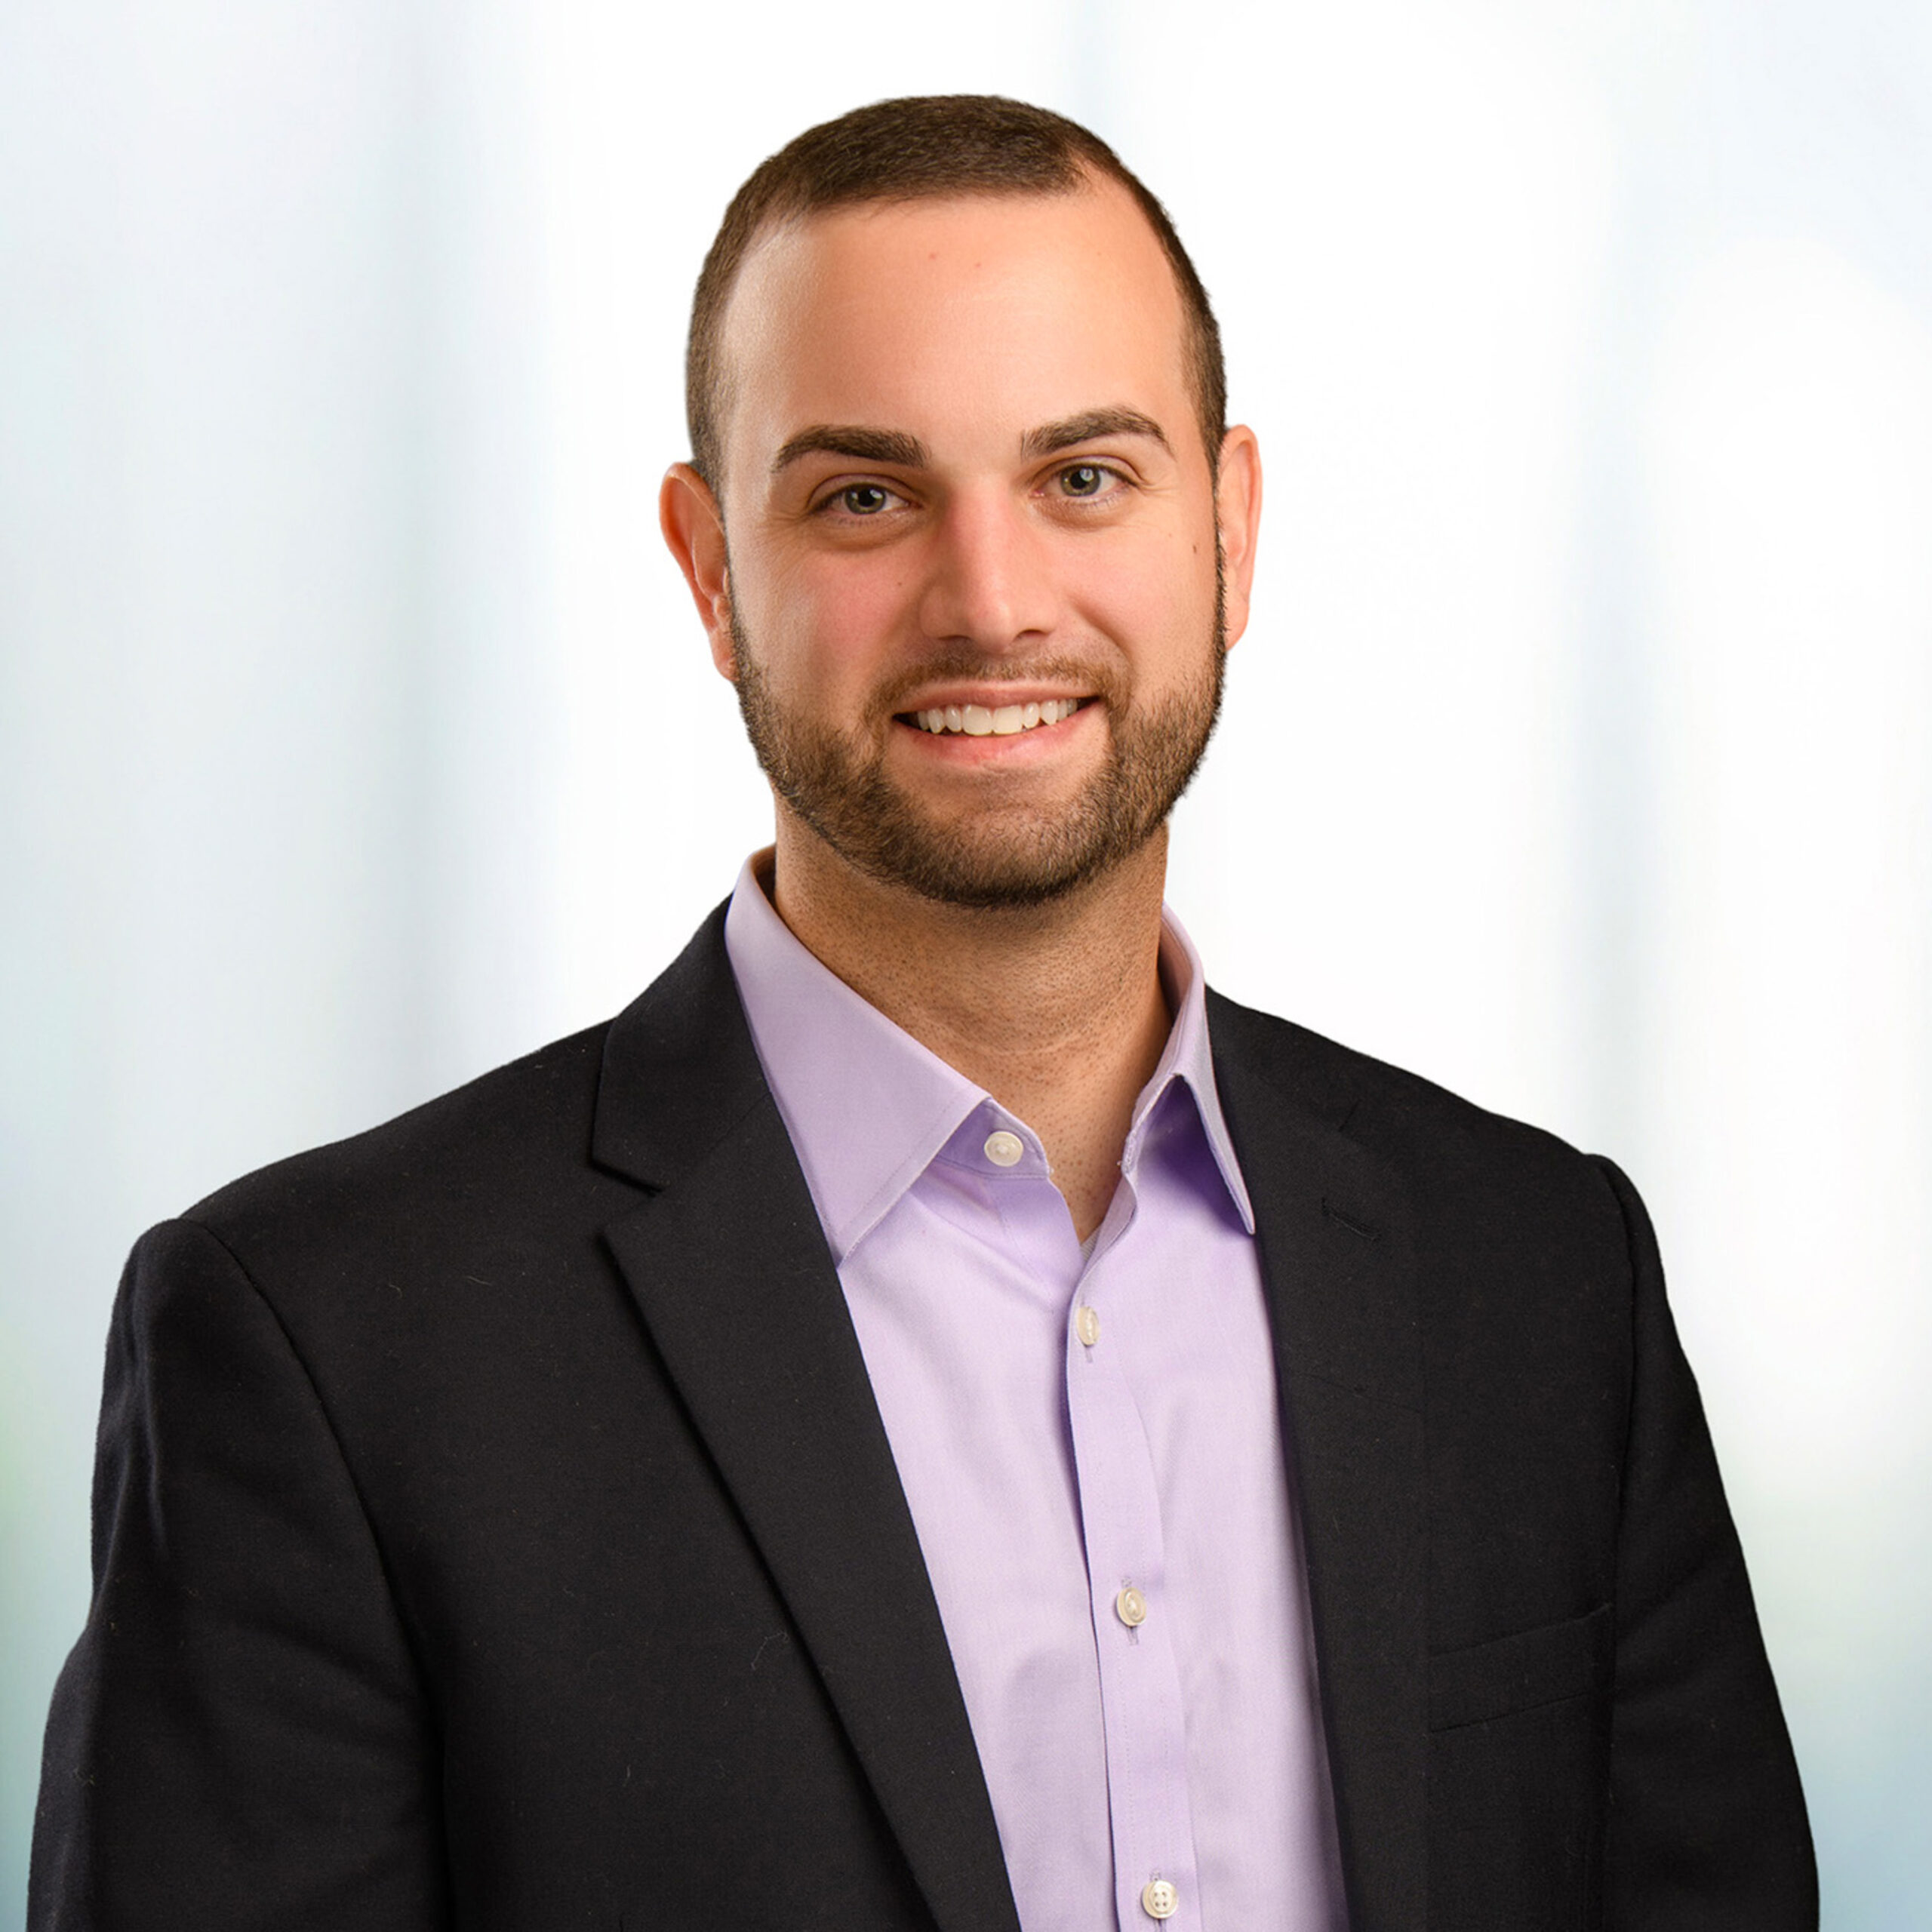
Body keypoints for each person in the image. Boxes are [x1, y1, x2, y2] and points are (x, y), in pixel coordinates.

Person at [32, 95, 1814, 1931]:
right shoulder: (325, 1345)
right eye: (865, 496)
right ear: (712, 567)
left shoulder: (1538, 1278)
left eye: (1084, 476)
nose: (989, 600)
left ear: (1230, 529)